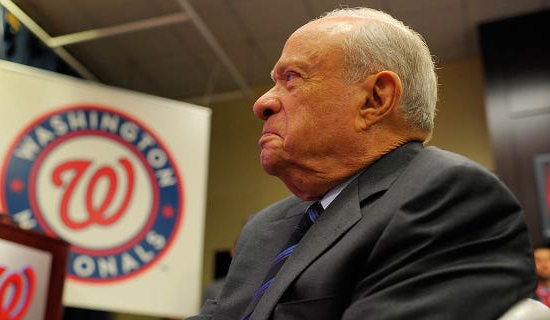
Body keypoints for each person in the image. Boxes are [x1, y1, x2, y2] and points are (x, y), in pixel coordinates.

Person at [188, 7, 536, 320]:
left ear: (375, 99)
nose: (262, 103)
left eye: (291, 78)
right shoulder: (264, 227)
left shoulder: (451, 199)